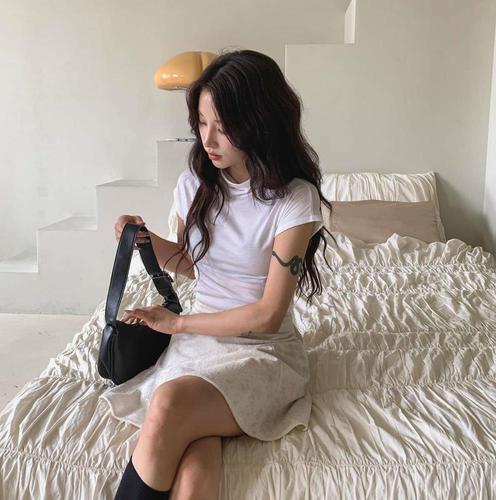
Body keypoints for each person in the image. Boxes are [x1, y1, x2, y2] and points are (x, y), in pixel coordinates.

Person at [100, 48, 336, 500]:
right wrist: (144, 240)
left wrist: (179, 324)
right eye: (202, 122)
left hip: (262, 352)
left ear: (259, 123)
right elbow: (193, 264)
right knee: (193, 464)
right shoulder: (194, 184)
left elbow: (267, 315)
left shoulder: (295, 199)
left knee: (170, 406)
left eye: (223, 127)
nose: (208, 139)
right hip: (198, 347)